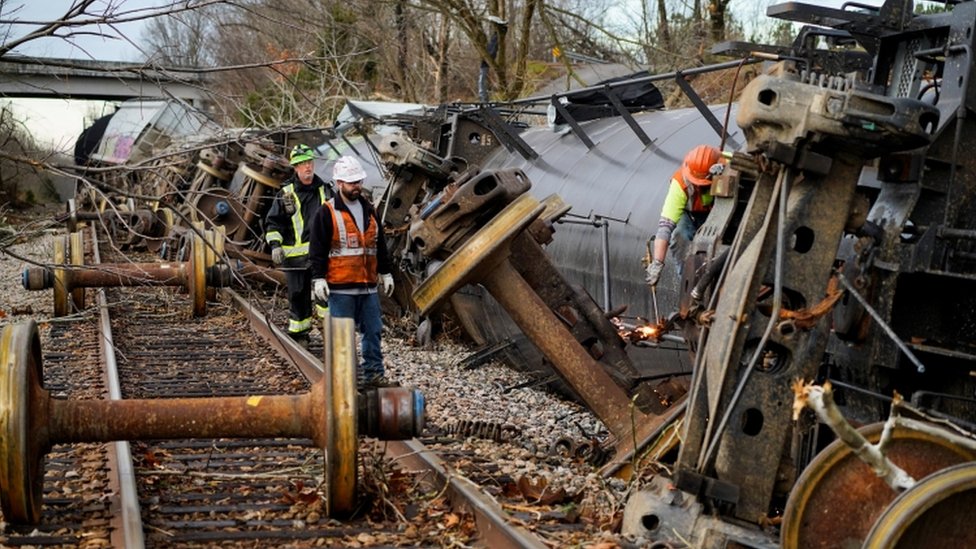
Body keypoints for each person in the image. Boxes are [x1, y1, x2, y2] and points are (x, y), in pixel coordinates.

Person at [309, 155, 395, 386]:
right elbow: (317, 248)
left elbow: (380, 245)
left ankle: (374, 375)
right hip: (341, 287)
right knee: (342, 338)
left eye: (358, 181)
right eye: (351, 182)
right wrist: (318, 278)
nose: (356, 186)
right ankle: (342, 380)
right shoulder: (327, 212)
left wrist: (385, 272)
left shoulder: (369, 210)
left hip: (367, 286)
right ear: (339, 183)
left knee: (373, 332)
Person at [265, 143, 334, 347]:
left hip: (321, 255)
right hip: (295, 258)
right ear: (295, 168)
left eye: (309, 162)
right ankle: (300, 335)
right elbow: (273, 222)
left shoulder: (325, 190)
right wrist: (276, 245)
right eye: (302, 164)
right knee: (298, 295)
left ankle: (330, 333)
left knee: (326, 295)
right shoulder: (286, 194)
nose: (307, 167)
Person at [645, 144, 724, 287]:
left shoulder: (726, 166)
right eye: (696, 182)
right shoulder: (680, 183)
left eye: (704, 183)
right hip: (689, 215)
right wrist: (657, 263)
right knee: (680, 235)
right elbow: (665, 228)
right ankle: (688, 283)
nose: (699, 186)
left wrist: (730, 175)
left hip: (719, 212)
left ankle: (720, 281)